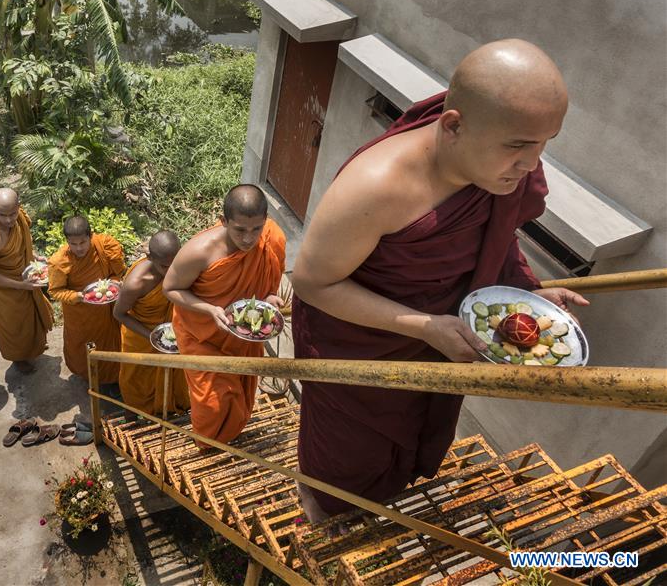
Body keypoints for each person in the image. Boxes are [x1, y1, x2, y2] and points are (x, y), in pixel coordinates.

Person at [290, 39, 589, 520]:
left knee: (412, 428)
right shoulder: (377, 187)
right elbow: (312, 285)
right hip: (360, 348)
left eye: (544, 144)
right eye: (518, 147)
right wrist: (425, 327)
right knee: (346, 453)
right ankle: (323, 512)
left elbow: (496, 235)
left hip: (433, 336)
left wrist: (527, 292)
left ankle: (380, 501)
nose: (533, 164)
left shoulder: (495, 166)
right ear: (453, 126)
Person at [163, 184, 286, 446]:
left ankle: (230, 435)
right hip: (201, 336)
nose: (248, 239)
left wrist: (270, 297)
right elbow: (170, 288)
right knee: (211, 403)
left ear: (265, 222)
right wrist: (209, 309)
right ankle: (207, 445)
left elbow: (268, 282)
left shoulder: (272, 238)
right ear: (223, 221)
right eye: (239, 230)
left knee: (240, 392)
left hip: (242, 335)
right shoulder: (200, 251)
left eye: (256, 229)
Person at [113, 230, 190, 421]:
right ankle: (131, 419)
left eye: (175, 264)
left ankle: (170, 410)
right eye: (165, 266)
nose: (172, 271)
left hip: (170, 333)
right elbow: (119, 313)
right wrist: (153, 338)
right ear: (149, 258)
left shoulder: (180, 267)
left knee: (175, 375)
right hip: (141, 336)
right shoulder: (137, 283)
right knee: (135, 385)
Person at [0, 188, 53, 374]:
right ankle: (18, 358)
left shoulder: (19, 218)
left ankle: (34, 346)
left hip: (25, 276)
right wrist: (21, 285)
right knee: (15, 326)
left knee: (31, 316)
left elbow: (21, 245)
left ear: (19, 206)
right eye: (3, 215)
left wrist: (33, 256)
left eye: (13, 213)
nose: (10, 220)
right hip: (6, 289)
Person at [47, 216, 125, 385]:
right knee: (83, 347)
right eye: (73, 244)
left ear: (90, 236)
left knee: (111, 342)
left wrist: (113, 284)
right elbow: (55, 291)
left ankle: (112, 377)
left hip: (107, 308)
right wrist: (79, 296)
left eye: (83, 242)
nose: (79, 248)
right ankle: (88, 375)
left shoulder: (105, 245)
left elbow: (117, 273)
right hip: (80, 314)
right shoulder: (59, 262)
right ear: (67, 241)